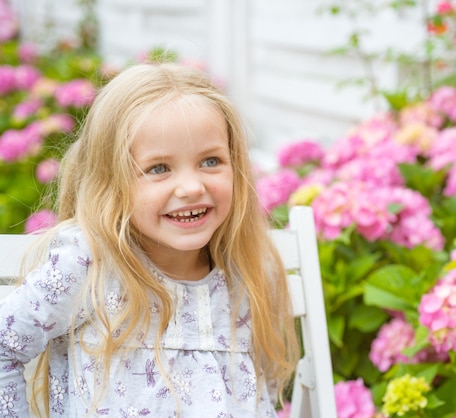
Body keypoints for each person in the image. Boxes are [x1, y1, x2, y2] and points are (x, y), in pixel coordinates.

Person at [0, 63, 300, 417]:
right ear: (111, 181)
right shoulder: (90, 264)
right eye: (159, 168)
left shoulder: (245, 272)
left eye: (211, 161)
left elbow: (255, 395)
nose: (191, 187)